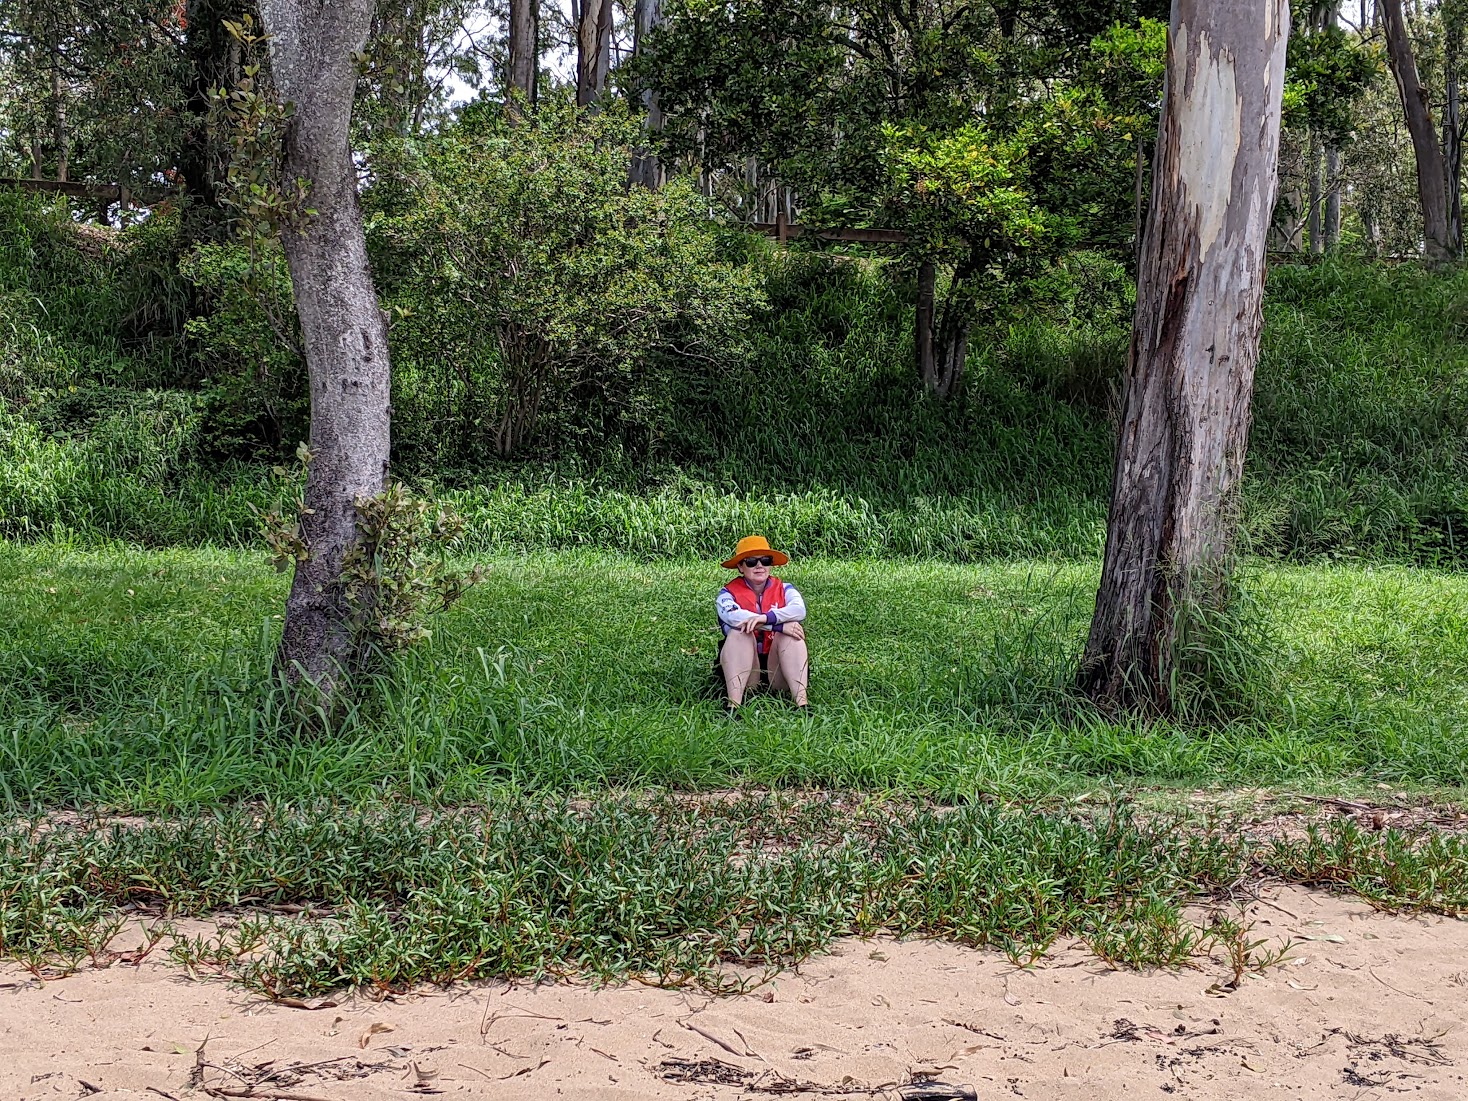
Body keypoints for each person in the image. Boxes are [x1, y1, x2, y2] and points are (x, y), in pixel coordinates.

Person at [715, 536, 809, 712]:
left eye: (765, 560)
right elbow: (734, 617)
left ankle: (802, 704)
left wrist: (766, 619)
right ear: (740, 567)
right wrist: (778, 625)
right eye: (751, 561)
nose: (759, 566)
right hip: (746, 666)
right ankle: (733, 707)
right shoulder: (726, 594)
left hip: (777, 663)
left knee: (792, 633)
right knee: (739, 632)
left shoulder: (786, 589)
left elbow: (799, 610)